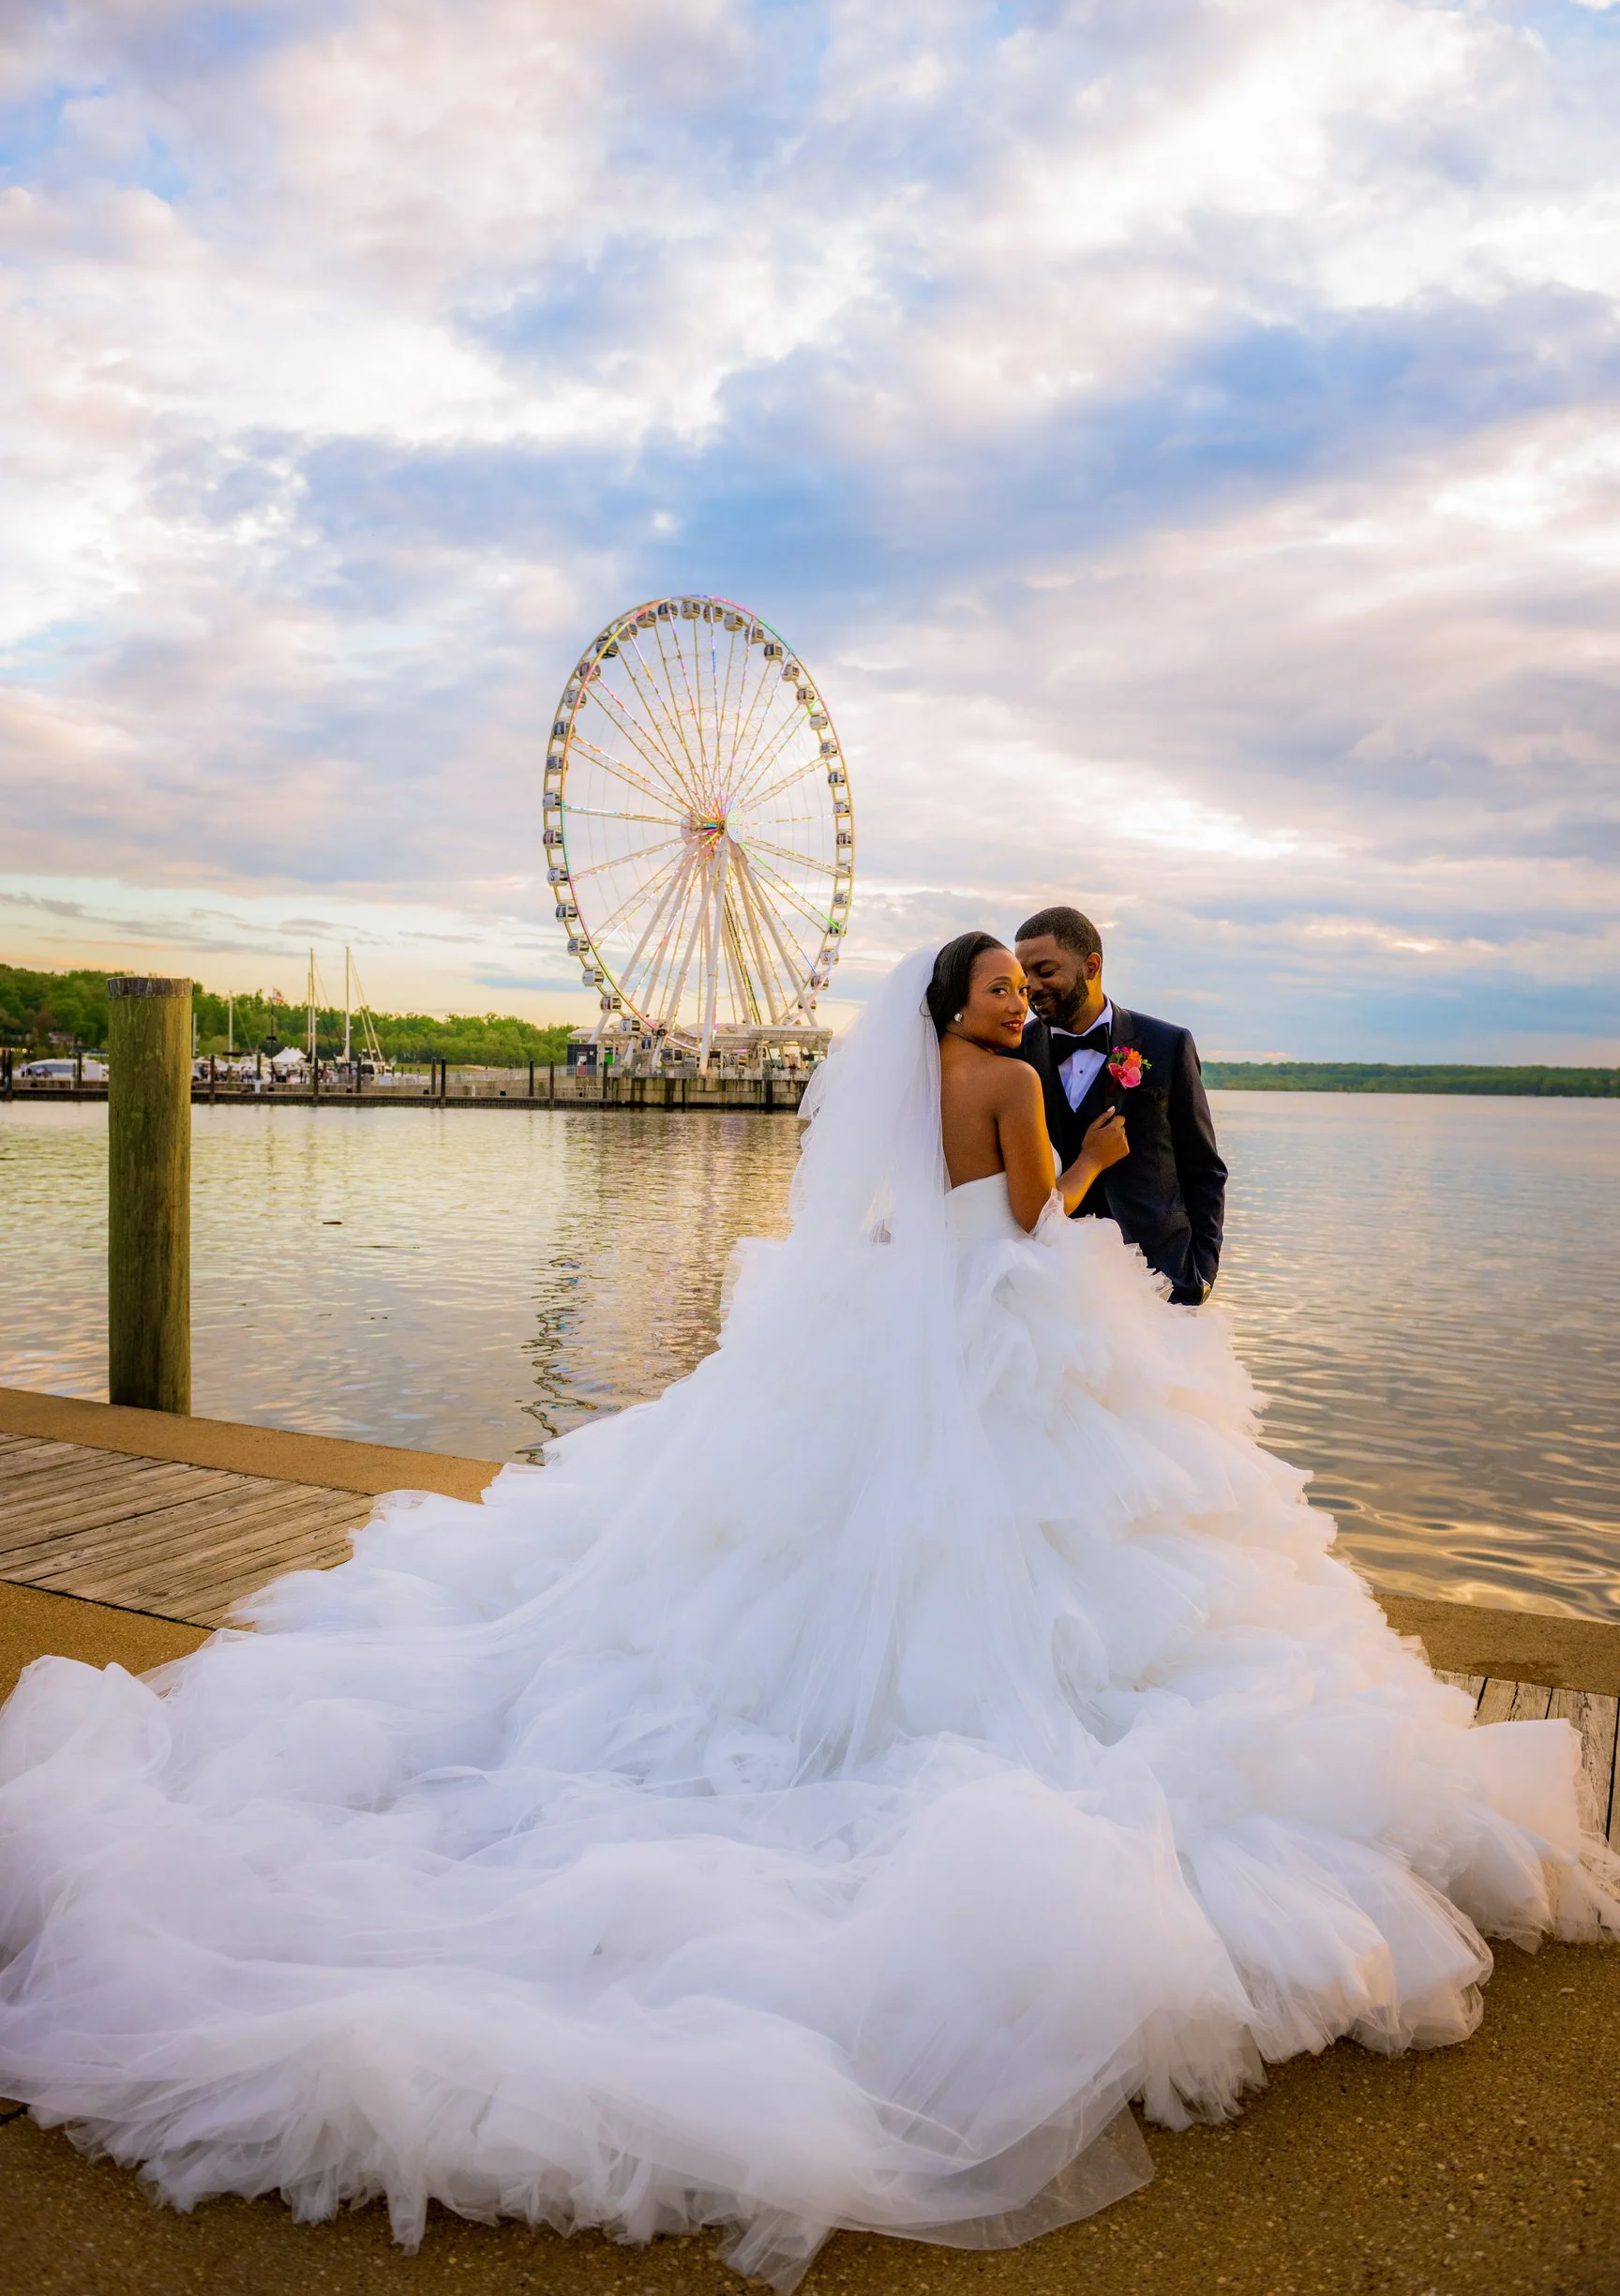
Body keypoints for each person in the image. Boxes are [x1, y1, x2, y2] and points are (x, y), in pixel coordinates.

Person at [0, 939, 1611, 2293]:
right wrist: (1102, 1138)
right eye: (992, 988)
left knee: (813, 1538)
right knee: (1069, 1545)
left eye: (1013, 987)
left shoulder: (904, 1094)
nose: (1008, 1002)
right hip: (1007, 1323)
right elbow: (1044, 1214)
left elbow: (895, 1224)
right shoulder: (1007, 1083)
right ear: (959, 1009)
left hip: (900, 1318)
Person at [1015, 906, 1225, 1305]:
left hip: (1159, 1275)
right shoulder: (1014, 1055)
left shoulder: (1167, 1044)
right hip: (1051, 1280)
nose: (1031, 987)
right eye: (1022, 974)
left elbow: (1204, 1169)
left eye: (1044, 971)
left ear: (1091, 966)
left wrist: (1202, 1272)